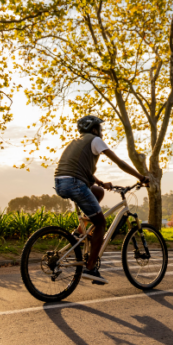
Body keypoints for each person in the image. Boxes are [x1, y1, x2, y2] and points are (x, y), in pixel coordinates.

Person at [54, 115, 149, 285]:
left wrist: (99, 182)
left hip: (62, 182)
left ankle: (80, 231)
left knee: (97, 192)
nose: (102, 131)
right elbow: (119, 162)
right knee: (101, 223)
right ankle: (91, 268)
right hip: (75, 183)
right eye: (100, 128)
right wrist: (140, 177)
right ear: (94, 129)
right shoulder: (95, 140)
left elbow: (78, 168)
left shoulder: (76, 142)